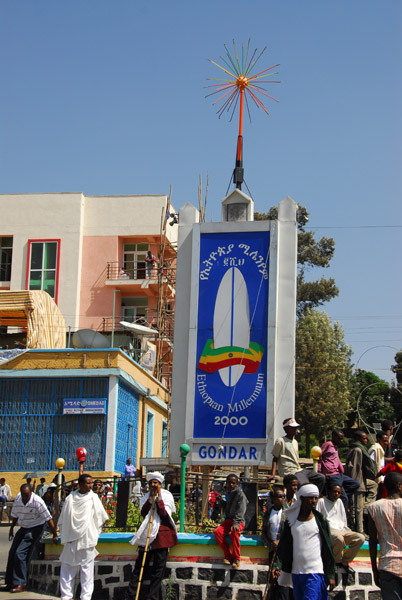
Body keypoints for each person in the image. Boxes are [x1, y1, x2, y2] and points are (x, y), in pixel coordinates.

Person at [274, 484, 336, 600]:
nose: (313, 501)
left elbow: (328, 549)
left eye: (315, 498)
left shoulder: (320, 521)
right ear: (302, 499)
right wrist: (277, 566)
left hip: (314, 573)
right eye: (310, 498)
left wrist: (330, 574)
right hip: (296, 574)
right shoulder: (291, 522)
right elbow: (284, 546)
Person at [127, 471, 177, 600]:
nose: (153, 485)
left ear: (160, 484)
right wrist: (150, 499)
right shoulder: (146, 497)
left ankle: (152, 597)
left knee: (158, 571)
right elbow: (143, 513)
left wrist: (158, 497)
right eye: (151, 483)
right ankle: (131, 596)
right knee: (139, 568)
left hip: (161, 536)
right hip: (147, 536)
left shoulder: (167, 496)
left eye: (156, 483)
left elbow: (164, 514)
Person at [58, 473, 108, 600]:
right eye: (88, 483)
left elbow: (100, 518)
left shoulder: (93, 498)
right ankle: (66, 596)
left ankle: (85, 597)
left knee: (87, 571)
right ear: (80, 484)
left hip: (87, 538)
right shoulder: (70, 498)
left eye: (91, 483)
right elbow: (64, 518)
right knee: (68, 568)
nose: (91, 485)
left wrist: (95, 533)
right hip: (71, 538)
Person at [4, 483, 58, 593]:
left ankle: (21, 582)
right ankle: (10, 582)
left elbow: (49, 519)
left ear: (31, 493)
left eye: (27, 495)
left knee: (20, 554)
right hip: (23, 526)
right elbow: (15, 515)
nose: (25, 498)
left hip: (35, 527)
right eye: (23, 495)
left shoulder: (37, 501)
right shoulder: (18, 499)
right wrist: (11, 528)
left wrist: (55, 534)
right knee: (12, 552)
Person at [316, 483, 364, 574]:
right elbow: (318, 519)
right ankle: (337, 561)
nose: (336, 494)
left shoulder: (339, 502)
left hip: (342, 529)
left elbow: (343, 519)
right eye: (335, 492)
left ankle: (345, 561)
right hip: (329, 530)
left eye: (339, 492)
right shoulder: (321, 501)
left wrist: (347, 531)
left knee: (360, 538)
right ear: (329, 491)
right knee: (339, 538)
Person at [368, 472, 402, 599]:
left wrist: (374, 569)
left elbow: (372, 541)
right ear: (399, 486)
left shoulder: (374, 508)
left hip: (387, 566)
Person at [271, 418, 326, 494]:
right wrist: (273, 474)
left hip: (299, 469)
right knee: (306, 486)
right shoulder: (280, 440)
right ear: (286, 429)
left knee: (321, 478)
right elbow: (275, 458)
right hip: (289, 471)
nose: (295, 429)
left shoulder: (295, 442)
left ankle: (315, 497)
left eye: (296, 427)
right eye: (293, 427)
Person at [344, 430, 377, 534]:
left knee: (374, 485)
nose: (366, 441)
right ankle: (359, 530)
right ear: (358, 439)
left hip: (361, 481)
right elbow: (353, 468)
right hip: (357, 483)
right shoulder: (357, 450)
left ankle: (367, 505)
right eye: (364, 438)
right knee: (357, 509)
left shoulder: (360, 449)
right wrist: (353, 484)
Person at [318, 429, 360, 509]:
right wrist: (320, 471)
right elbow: (319, 457)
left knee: (355, 484)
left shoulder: (335, 447)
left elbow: (336, 459)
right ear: (334, 437)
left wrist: (342, 470)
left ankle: (337, 496)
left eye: (342, 438)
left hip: (338, 474)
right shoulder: (328, 445)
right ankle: (342, 514)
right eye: (340, 438)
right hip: (331, 474)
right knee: (345, 499)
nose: (341, 440)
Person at [262, 486, 291, 600]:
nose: (282, 499)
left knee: (283, 578)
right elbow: (264, 532)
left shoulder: (287, 513)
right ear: (273, 499)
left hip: (284, 551)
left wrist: (280, 542)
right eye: (279, 497)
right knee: (273, 577)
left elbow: (290, 532)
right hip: (272, 550)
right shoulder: (268, 513)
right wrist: (271, 543)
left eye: (283, 497)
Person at [214, 474, 248, 569]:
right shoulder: (229, 493)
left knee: (234, 532)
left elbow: (241, 509)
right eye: (229, 482)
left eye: (233, 483)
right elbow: (228, 509)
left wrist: (236, 523)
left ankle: (237, 558)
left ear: (236, 484)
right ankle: (228, 555)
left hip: (238, 521)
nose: (231, 485)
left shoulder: (240, 494)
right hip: (229, 520)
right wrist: (222, 502)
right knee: (217, 532)